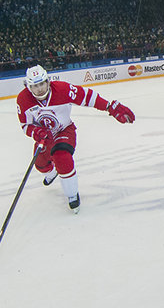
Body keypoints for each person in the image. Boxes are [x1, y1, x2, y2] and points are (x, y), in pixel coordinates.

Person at [16, 64, 135, 212]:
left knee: (62, 157)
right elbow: (25, 125)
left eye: (41, 83)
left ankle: (72, 195)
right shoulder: (23, 99)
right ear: (28, 86)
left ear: (48, 81)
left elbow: (87, 96)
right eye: (35, 86)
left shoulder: (62, 89)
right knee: (40, 165)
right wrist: (37, 132)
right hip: (44, 138)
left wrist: (109, 106)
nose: (39, 88)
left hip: (64, 130)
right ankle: (51, 172)